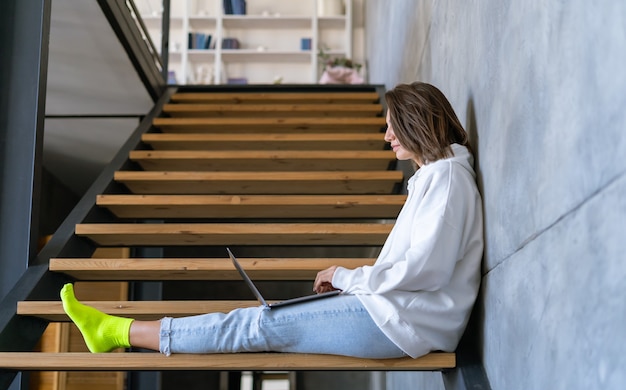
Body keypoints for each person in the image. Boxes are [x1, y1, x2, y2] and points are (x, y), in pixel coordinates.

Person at [61, 82, 484, 359]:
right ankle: (122, 332)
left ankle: (119, 333)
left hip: (403, 323)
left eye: (393, 127)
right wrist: (349, 281)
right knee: (264, 318)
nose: (386, 136)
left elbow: (425, 271)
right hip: (392, 312)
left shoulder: (446, 179)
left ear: (415, 124)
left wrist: (344, 275)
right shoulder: (436, 178)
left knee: (255, 325)